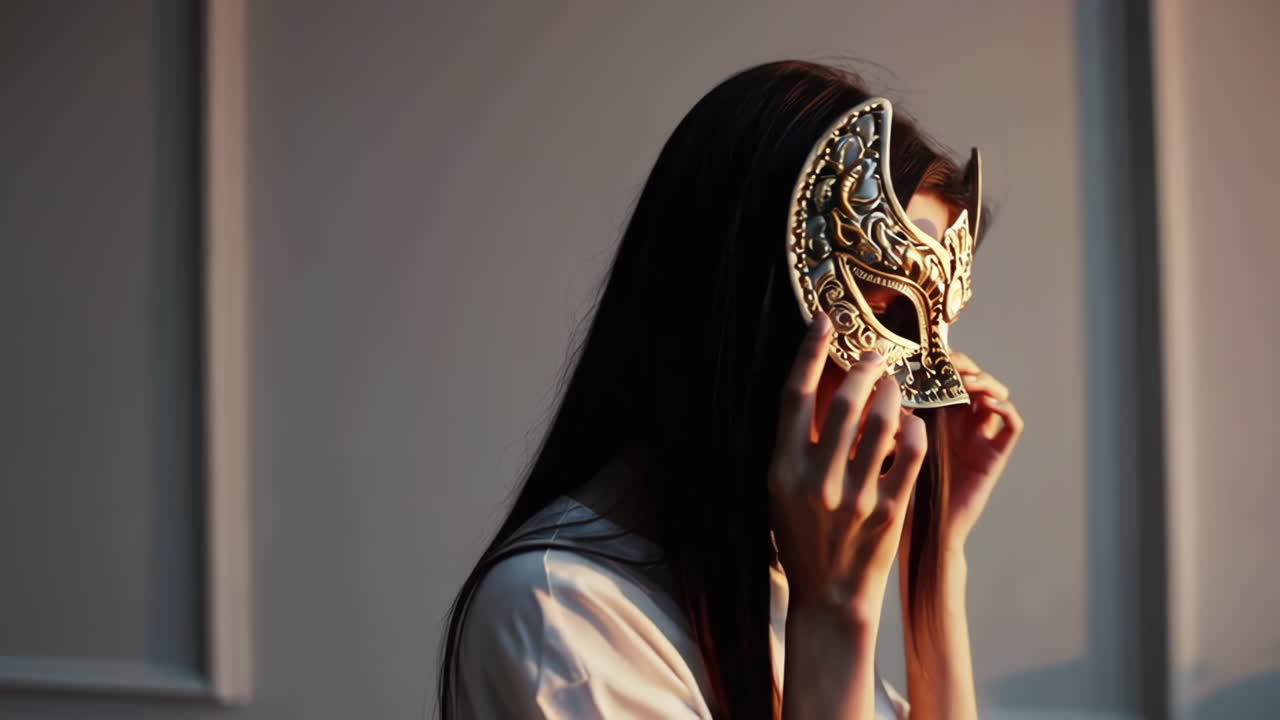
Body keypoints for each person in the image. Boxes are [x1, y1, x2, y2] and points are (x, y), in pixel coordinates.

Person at [436, 59, 1024, 719]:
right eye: (886, 314)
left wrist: (935, 555)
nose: (926, 389)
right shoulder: (561, 616)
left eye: (942, 332)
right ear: (749, 306)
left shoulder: (762, 574)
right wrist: (835, 619)